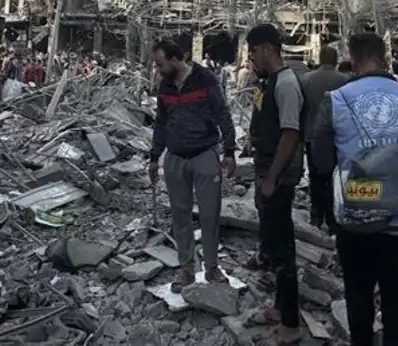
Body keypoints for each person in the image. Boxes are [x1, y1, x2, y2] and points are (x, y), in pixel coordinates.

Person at [311, 32, 398, 346]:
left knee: (358, 300)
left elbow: (321, 163)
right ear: (386, 59)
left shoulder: (335, 100)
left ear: (352, 60)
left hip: (356, 219)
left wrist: (329, 212)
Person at [148, 41, 238, 292]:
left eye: (161, 64)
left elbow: (222, 113)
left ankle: (212, 267)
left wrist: (229, 151)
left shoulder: (205, 79)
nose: (158, 69)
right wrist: (154, 157)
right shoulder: (165, 86)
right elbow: (161, 122)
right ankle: (186, 269)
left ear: (174, 59)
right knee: (180, 216)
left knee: (210, 215)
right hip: (175, 157)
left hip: (204, 154)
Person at [244, 24, 305, 343]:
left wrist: (271, 178)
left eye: (253, 51)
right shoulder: (269, 82)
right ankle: (280, 308)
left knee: (282, 249)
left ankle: (291, 325)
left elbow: (291, 134)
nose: (252, 57)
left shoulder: (286, 83)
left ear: (268, 48)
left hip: (278, 176)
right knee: (273, 242)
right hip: (268, 170)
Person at [299, 46, 349, 230]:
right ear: (336, 60)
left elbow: (302, 109)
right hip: (337, 137)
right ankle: (333, 217)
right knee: (335, 177)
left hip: (312, 135)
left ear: (320, 59)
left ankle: (316, 216)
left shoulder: (306, 80)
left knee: (315, 177)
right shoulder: (345, 81)